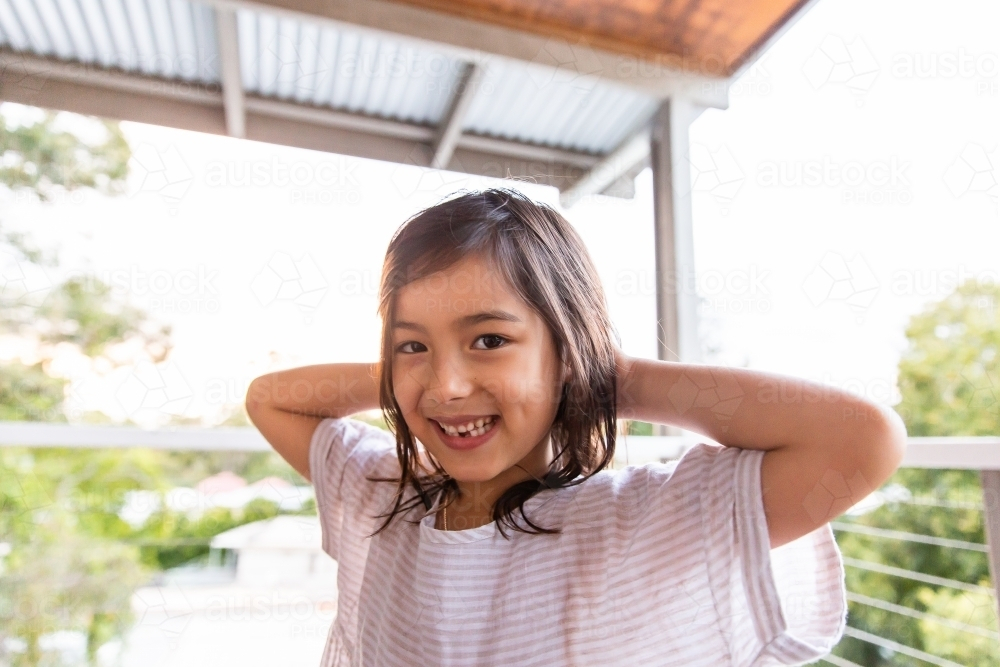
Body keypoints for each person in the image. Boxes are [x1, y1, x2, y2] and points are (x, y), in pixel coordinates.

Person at [245, 188, 907, 666]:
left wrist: (601, 376)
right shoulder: (380, 492)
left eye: (488, 339)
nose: (446, 386)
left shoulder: (638, 522)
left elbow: (861, 440)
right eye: (413, 345)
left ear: (567, 350)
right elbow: (271, 398)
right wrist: (402, 367)